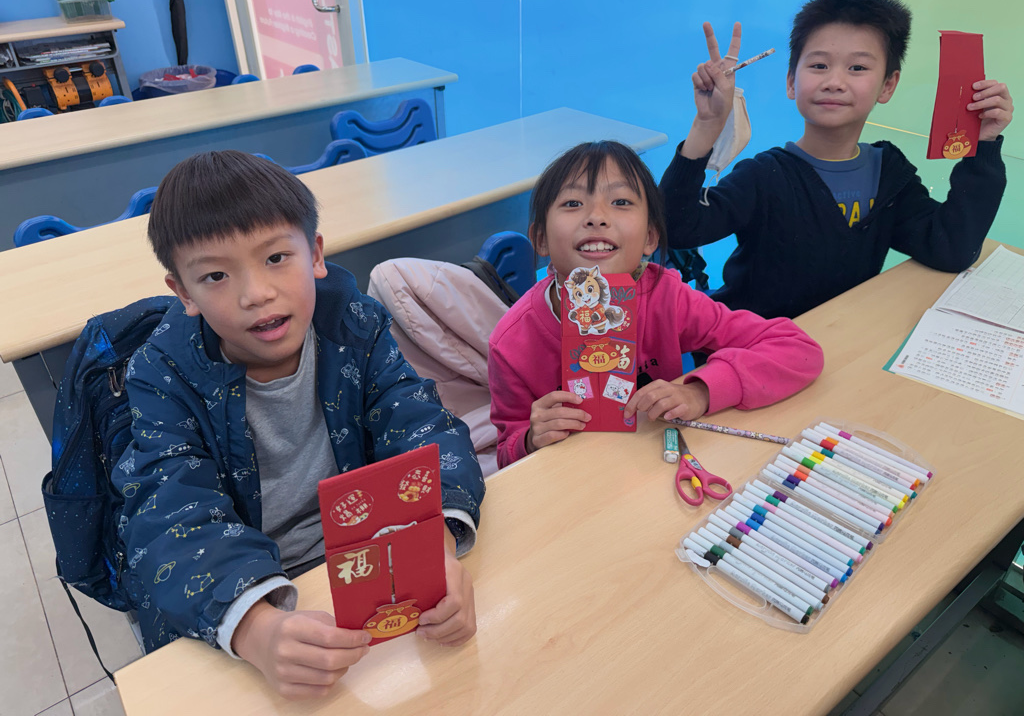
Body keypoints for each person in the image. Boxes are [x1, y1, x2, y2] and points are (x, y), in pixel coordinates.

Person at [111, 151, 485, 699]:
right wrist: (256, 630)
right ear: (184, 292)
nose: (256, 293)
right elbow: (169, 516)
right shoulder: (163, 376)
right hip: (250, 590)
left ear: (315, 255)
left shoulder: (355, 326)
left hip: (366, 557)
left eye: (276, 258)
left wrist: (434, 544)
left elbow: (424, 428)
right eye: (215, 275)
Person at [660, 0, 1014, 319]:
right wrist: (707, 125)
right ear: (791, 81)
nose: (834, 82)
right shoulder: (764, 176)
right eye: (819, 65)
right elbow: (676, 229)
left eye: (857, 68)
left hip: (839, 342)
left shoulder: (889, 173)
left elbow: (951, 248)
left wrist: (982, 145)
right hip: (747, 346)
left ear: (888, 85)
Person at [488, 140, 824, 469]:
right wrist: (530, 439)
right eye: (573, 203)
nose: (596, 217)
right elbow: (505, 453)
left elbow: (797, 349)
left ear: (650, 237)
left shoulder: (668, 298)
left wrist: (702, 392)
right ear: (541, 239)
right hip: (572, 481)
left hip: (658, 466)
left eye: (620, 201)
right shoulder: (511, 343)